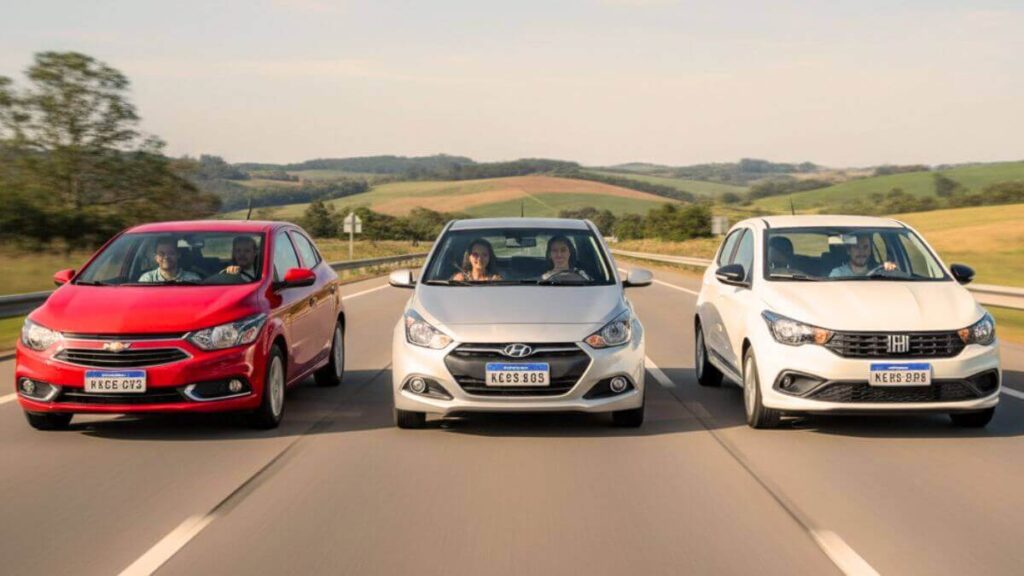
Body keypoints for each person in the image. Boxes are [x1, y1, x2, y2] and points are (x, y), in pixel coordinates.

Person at [829, 233, 897, 278]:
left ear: (870, 250)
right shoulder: (838, 274)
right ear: (848, 251)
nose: (861, 252)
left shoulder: (880, 272)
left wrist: (890, 268)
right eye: (856, 247)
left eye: (865, 247)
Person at [138, 237, 203, 283]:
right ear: (156, 257)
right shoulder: (147, 279)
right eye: (161, 254)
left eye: (171, 253)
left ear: (178, 255)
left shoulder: (192, 279)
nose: (166, 257)